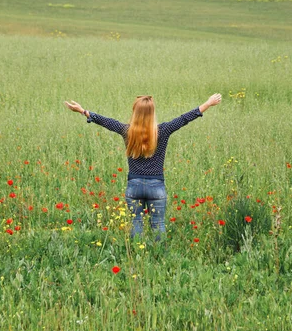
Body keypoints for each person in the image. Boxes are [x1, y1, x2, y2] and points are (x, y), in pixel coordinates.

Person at [64, 93, 222, 238]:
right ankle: (159, 257)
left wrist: (83, 111)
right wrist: (207, 104)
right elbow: (183, 119)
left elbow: (107, 122)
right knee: (158, 225)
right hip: (156, 186)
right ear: (152, 113)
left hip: (134, 186)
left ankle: (136, 252)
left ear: (135, 113)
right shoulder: (163, 130)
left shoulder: (127, 131)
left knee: (136, 224)